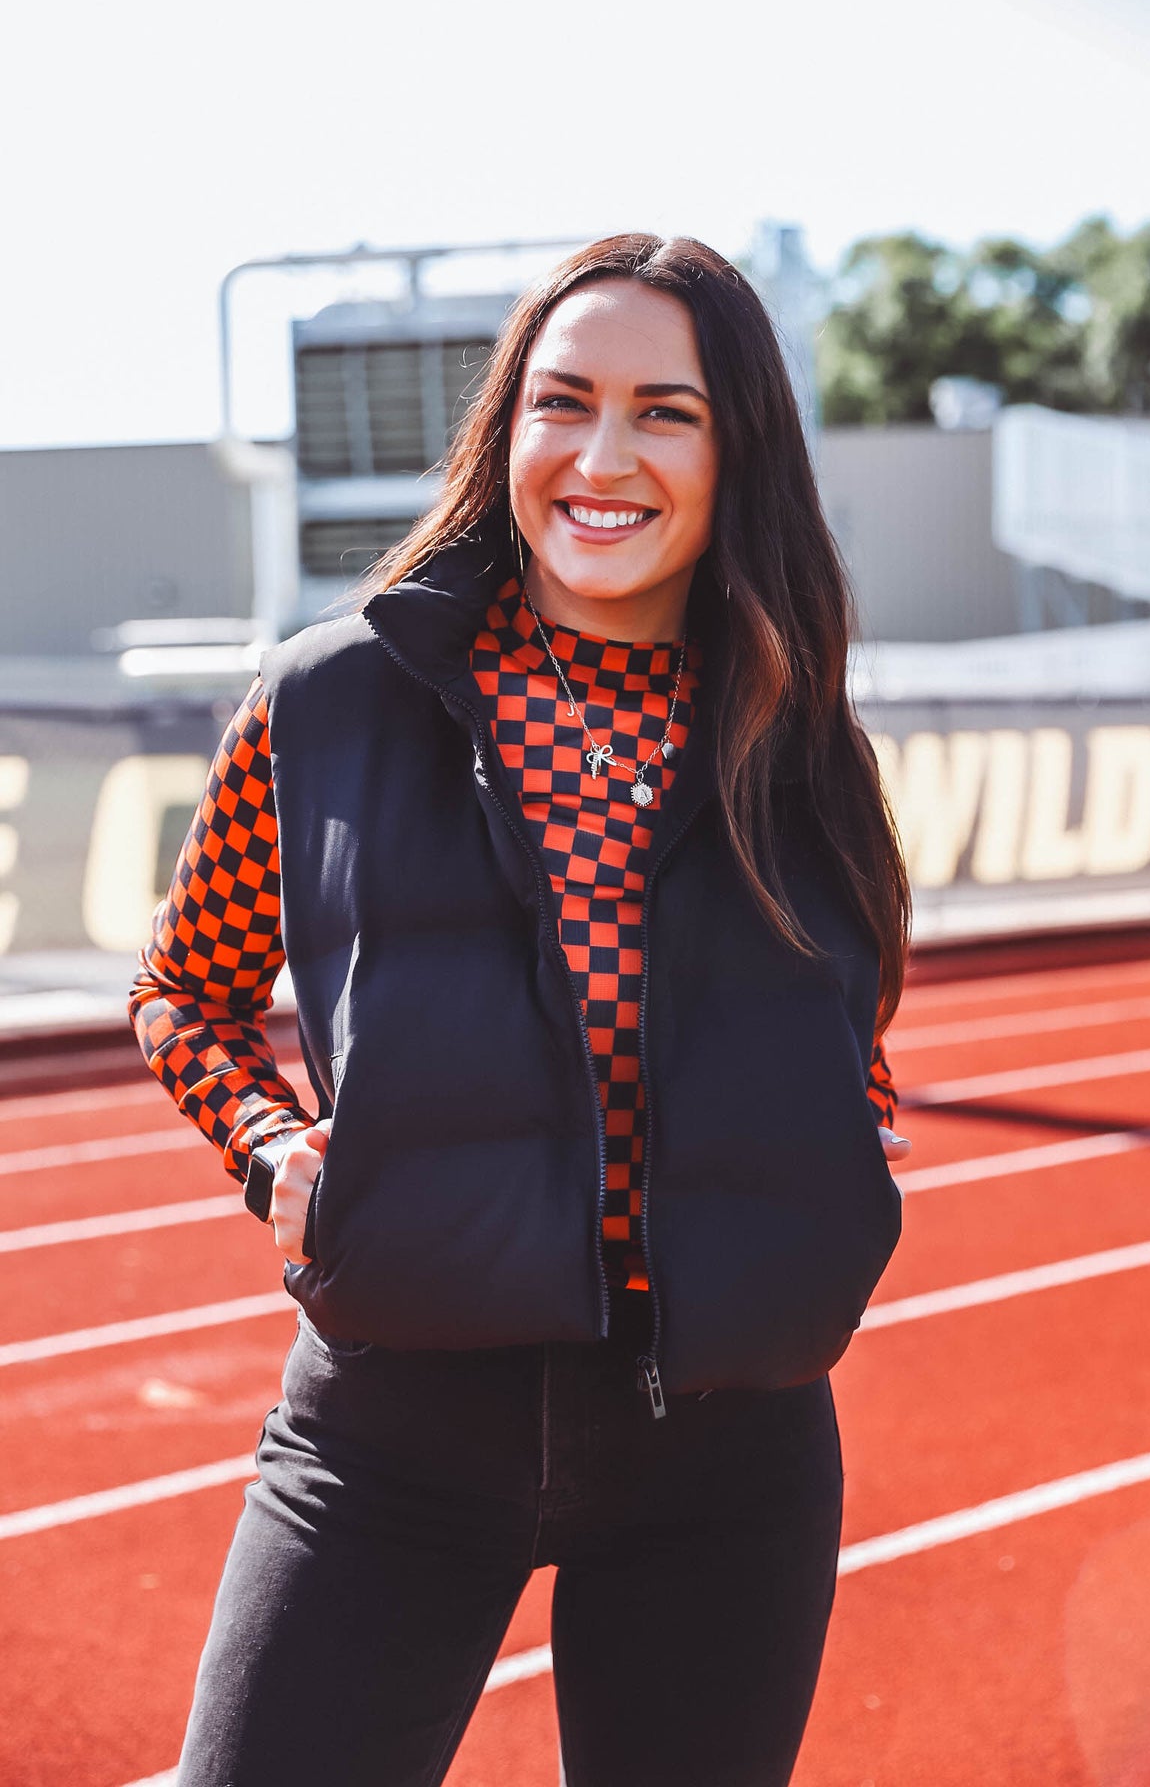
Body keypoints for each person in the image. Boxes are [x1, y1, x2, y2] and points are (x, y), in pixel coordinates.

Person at [130, 232, 912, 1787]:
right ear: (511, 431)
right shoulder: (329, 699)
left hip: (729, 1445)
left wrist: (846, 1163)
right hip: (395, 1425)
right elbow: (180, 991)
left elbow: (852, 1022)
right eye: (565, 402)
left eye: (664, 412)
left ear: (733, 446)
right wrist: (278, 1155)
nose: (602, 457)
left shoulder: (793, 724)